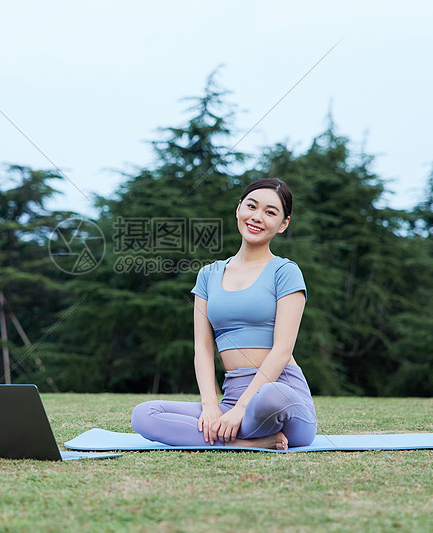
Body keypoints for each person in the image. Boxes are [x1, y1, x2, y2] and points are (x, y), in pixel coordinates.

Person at [131, 178, 316, 450]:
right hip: (231, 400)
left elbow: (282, 350)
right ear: (238, 209)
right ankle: (251, 442)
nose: (257, 217)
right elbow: (203, 348)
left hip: (280, 398)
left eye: (270, 212)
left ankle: (235, 433)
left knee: (271, 397)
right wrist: (210, 407)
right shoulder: (208, 275)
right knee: (144, 415)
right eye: (251, 206)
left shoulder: (285, 272)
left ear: (283, 224)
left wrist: (243, 408)